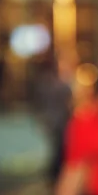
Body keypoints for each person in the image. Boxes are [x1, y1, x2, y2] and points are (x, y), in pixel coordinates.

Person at [31, 56, 74, 186]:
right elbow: (69, 101)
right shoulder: (61, 84)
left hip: (50, 119)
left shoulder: (43, 83)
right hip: (60, 120)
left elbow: (38, 102)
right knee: (59, 147)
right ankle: (56, 173)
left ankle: (54, 173)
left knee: (55, 146)